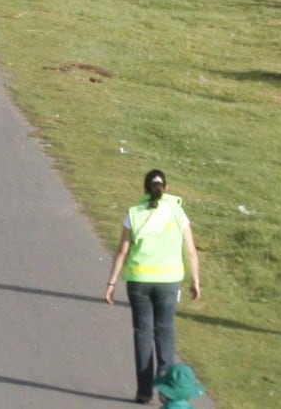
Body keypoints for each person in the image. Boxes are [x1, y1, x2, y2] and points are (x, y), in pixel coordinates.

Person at [104, 168, 202, 403]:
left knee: (143, 334)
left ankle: (144, 391)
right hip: (169, 281)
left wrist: (112, 282)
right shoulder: (178, 213)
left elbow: (123, 251)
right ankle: (167, 388)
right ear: (165, 188)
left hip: (139, 281)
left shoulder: (134, 214)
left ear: (145, 189)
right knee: (165, 332)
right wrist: (195, 281)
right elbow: (191, 251)